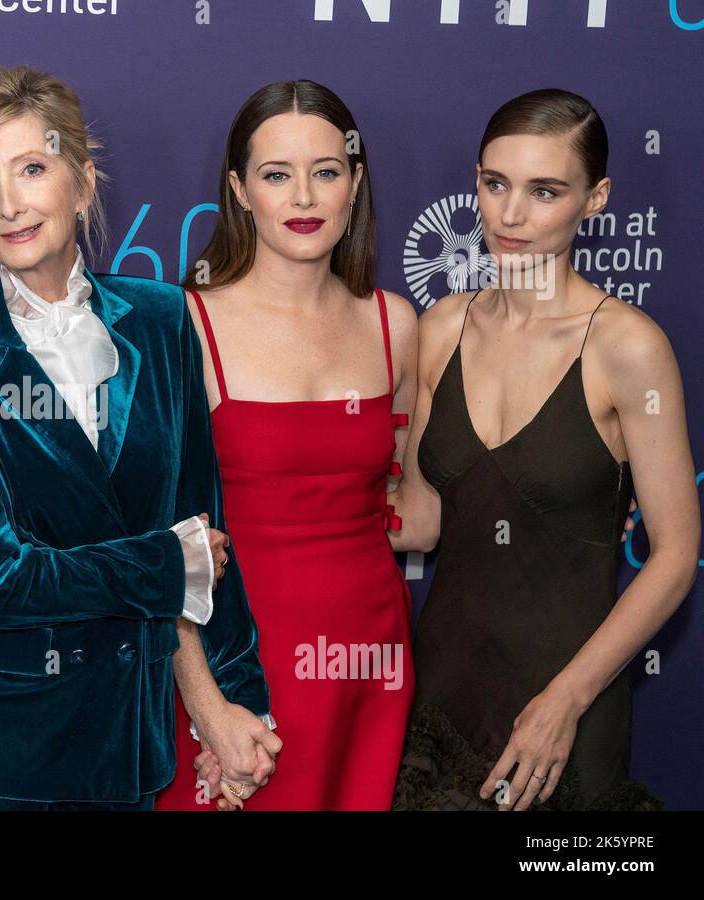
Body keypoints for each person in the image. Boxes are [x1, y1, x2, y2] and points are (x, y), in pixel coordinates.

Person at [0, 65, 278, 810]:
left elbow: (206, 528)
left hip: (134, 745)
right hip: (8, 755)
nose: (8, 205)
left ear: (83, 181)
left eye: (32, 169)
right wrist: (165, 559)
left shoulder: (165, 319)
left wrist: (235, 710)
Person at [389, 89, 699, 810]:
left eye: (545, 191)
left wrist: (566, 700)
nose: (511, 215)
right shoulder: (440, 327)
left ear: (596, 198)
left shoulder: (629, 347)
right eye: (494, 184)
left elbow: (677, 555)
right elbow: (421, 518)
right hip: (442, 698)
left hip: (570, 703)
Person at [155, 81, 417, 811]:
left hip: (369, 661)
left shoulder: (396, 324)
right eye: (277, 175)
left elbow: (416, 504)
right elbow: (156, 542)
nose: (304, 196)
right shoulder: (183, 322)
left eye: (327, 172)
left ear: (355, 182)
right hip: (235, 668)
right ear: (240, 190)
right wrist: (207, 706)